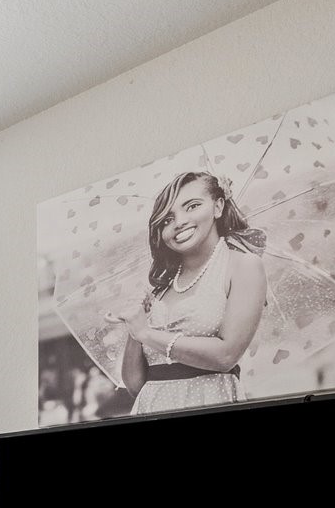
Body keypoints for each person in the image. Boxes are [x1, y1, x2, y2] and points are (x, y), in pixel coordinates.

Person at [110, 171, 268, 415]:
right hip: (151, 410)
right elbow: (136, 386)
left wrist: (146, 333)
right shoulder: (160, 288)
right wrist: (134, 329)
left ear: (218, 206)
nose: (179, 222)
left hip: (210, 402)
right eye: (167, 219)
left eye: (192, 206)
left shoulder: (242, 266)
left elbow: (226, 356)